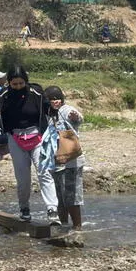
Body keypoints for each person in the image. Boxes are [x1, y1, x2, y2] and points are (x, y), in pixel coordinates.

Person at [0, 65, 60, 224]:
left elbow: (49, 109)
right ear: (9, 83)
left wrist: (55, 109)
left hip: (38, 137)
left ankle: (52, 210)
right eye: (14, 84)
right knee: (23, 178)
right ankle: (24, 208)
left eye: (21, 84)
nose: (18, 87)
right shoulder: (3, 95)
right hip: (15, 138)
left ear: (26, 81)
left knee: (44, 172)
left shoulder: (37, 92)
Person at [41, 86, 85, 230]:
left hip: (72, 162)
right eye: (51, 99)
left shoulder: (66, 110)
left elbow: (78, 117)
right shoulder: (47, 114)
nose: (55, 102)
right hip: (55, 162)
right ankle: (63, 226)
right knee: (59, 198)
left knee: (72, 197)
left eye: (56, 99)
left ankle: (77, 228)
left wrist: (75, 117)